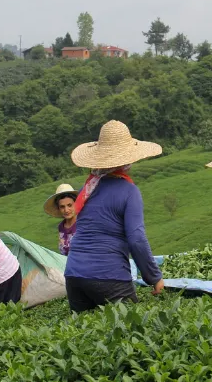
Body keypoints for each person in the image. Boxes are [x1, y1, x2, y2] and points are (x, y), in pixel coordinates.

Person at [63, 120, 165, 312]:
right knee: (132, 325)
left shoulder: (88, 188)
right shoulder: (129, 191)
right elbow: (136, 239)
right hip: (109, 276)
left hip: (74, 275)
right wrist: (154, 277)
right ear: (128, 161)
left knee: (83, 329)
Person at [44, 183, 78, 256]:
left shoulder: (83, 223)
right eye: (62, 207)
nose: (66, 210)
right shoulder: (61, 227)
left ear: (76, 204)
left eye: (69, 205)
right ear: (58, 208)